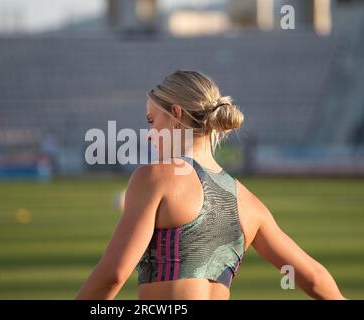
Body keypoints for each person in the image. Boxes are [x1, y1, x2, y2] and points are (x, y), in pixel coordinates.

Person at [75, 70, 345, 300]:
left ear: (176, 114)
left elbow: (113, 274)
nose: (149, 135)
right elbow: (314, 277)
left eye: (151, 121)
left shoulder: (155, 177)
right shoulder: (249, 204)